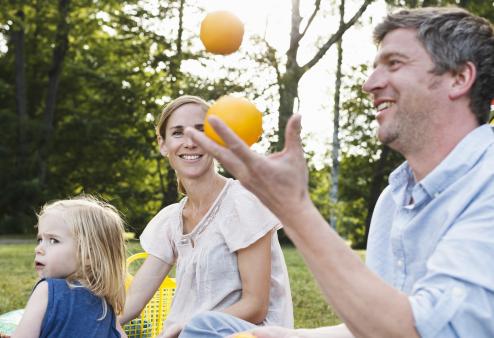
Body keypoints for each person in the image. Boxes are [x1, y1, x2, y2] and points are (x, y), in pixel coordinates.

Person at [181, 7, 494, 338]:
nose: (369, 84)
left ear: (459, 78)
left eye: (394, 64)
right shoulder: (395, 198)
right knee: (209, 328)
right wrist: (278, 336)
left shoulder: (486, 184)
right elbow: (372, 324)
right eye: (374, 68)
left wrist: (293, 208)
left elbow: (425, 332)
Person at [119, 95, 293, 338]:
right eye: (178, 133)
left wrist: (186, 326)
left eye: (201, 131)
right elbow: (133, 301)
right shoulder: (171, 220)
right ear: (162, 144)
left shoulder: (242, 202)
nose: (190, 142)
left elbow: (255, 306)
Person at [12, 195, 128, 338]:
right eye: (40, 239)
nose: (39, 249)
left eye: (53, 240)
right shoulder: (105, 301)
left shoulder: (47, 290)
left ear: (88, 255)